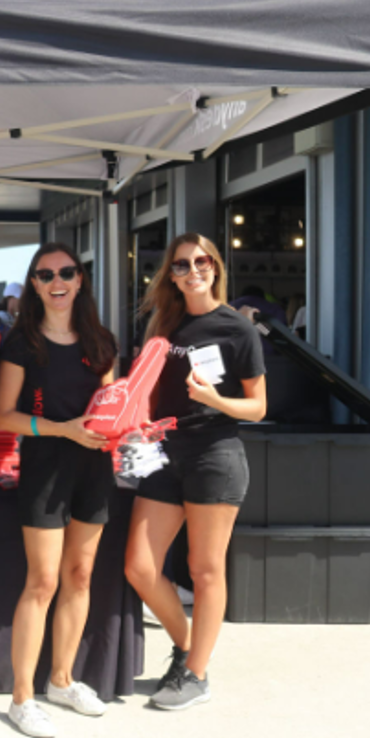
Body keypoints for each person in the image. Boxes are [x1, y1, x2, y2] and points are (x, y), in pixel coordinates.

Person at [122, 233, 265, 711]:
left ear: (216, 266)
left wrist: (215, 400)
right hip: (164, 452)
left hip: (215, 453)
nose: (193, 270)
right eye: (181, 265)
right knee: (140, 567)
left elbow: (258, 407)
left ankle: (197, 674)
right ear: (171, 274)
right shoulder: (164, 324)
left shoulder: (236, 330)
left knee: (205, 571)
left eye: (201, 261)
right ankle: (188, 649)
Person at [0, 243, 118, 738]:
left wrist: (129, 428)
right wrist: (64, 429)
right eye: (45, 275)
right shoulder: (22, 343)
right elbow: (4, 415)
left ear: (80, 279)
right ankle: (22, 698)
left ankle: (62, 680)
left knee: (80, 575)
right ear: (35, 284)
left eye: (66, 272)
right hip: (46, 466)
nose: (56, 281)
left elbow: (115, 403)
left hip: (95, 468)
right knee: (42, 581)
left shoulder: (101, 341)